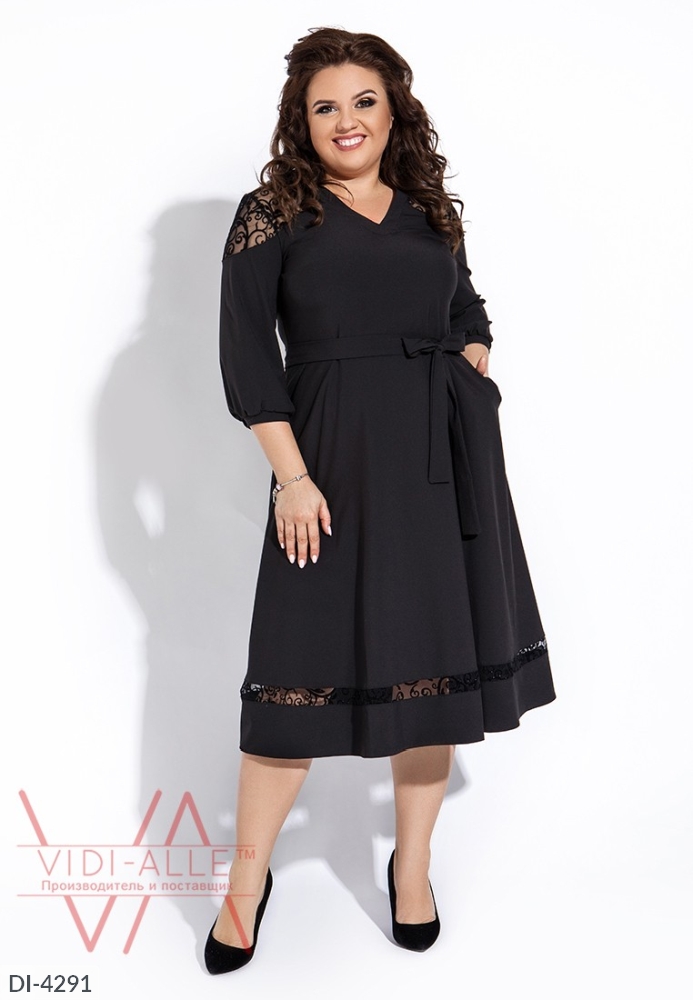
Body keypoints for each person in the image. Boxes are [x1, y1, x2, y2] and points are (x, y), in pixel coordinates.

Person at [205, 26, 556, 973]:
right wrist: (292, 477)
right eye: (324, 106)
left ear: (393, 107)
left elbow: (465, 308)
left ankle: (412, 868)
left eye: (363, 100)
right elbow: (246, 354)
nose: (346, 120)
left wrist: (467, 360)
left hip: (439, 461)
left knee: (430, 672)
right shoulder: (273, 212)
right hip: (326, 460)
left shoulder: (429, 210)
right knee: (294, 672)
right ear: (301, 120)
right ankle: (246, 882)